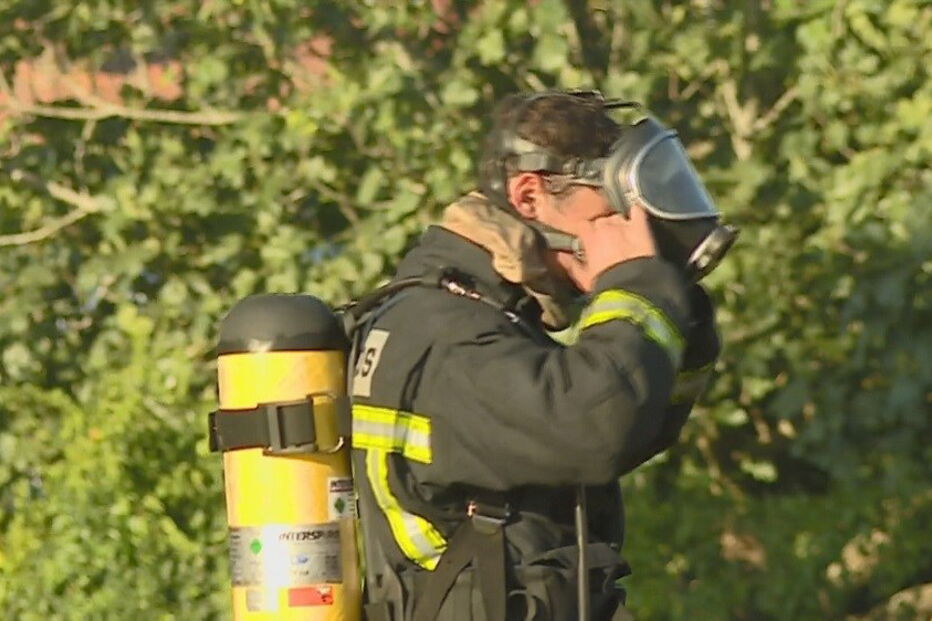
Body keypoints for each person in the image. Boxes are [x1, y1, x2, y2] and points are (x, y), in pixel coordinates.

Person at [349, 91, 721, 621]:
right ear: (530, 197)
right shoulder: (444, 334)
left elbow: (631, 416)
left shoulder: (483, 316)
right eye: (615, 206)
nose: (633, 228)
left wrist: (677, 305)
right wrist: (638, 288)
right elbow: (592, 426)